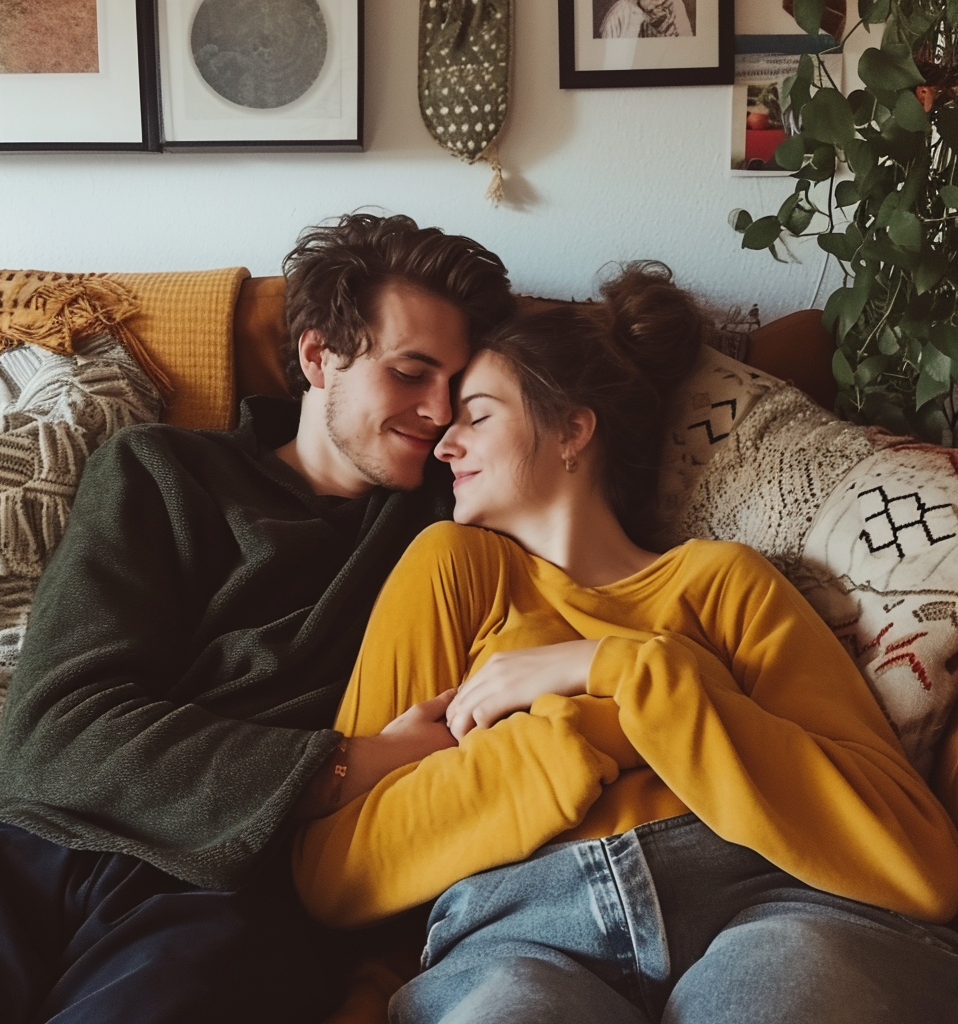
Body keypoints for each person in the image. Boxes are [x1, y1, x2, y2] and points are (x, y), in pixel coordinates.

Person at [294, 262, 958, 1023]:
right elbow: (334, 868)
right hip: (518, 934)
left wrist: (621, 669)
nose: (444, 444)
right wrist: (584, 734)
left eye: (477, 415)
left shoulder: (721, 581)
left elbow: (913, 853)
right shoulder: (453, 568)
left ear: (574, 428)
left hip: (767, 901)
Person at [0, 212, 514, 1023]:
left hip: (227, 891)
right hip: (30, 846)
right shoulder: (162, 471)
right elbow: (54, 739)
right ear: (319, 356)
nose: (438, 409)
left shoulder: (452, 522)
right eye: (412, 373)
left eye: (459, 385)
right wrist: (350, 764)